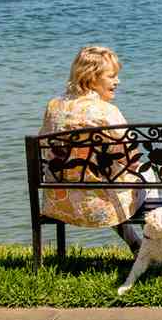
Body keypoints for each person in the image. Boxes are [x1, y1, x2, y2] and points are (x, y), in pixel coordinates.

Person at [38, 44, 146, 252]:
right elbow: (131, 158)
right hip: (102, 206)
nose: (118, 81)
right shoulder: (107, 111)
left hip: (60, 203)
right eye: (112, 76)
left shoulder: (53, 106)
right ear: (91, 77)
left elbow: (44, 145)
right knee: (145, 173)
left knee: (102, 176)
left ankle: (136, 243)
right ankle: (152, 246)